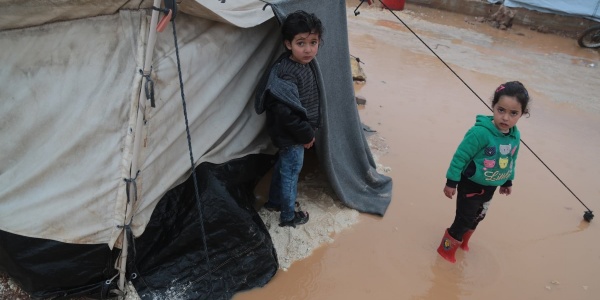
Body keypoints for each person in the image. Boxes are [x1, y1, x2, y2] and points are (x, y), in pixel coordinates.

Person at [437, 81, 531, 263]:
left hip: (491, 186)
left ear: (522, 114)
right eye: (501, 110)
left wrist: (507, 181)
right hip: (470, 184)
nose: (505, 118)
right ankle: (446, 250)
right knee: (464, 219)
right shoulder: (480, 132)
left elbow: (511, 160)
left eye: (513, 113)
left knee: (478, 217)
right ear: (493, 106)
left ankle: (463, 243)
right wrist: (451, 181)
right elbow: (460, 156)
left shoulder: (514, 136)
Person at [254, 11, 324, 227]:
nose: (308, 49)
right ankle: (288, 216)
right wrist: (306, 134)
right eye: (301, 43)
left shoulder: (303, 65)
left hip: (291, 134)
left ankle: (274, 202)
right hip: (292, 135)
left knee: (283, 169)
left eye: (313, 42)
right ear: (288, 44)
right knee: (291, 174)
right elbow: (286, 113)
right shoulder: (286, 74)